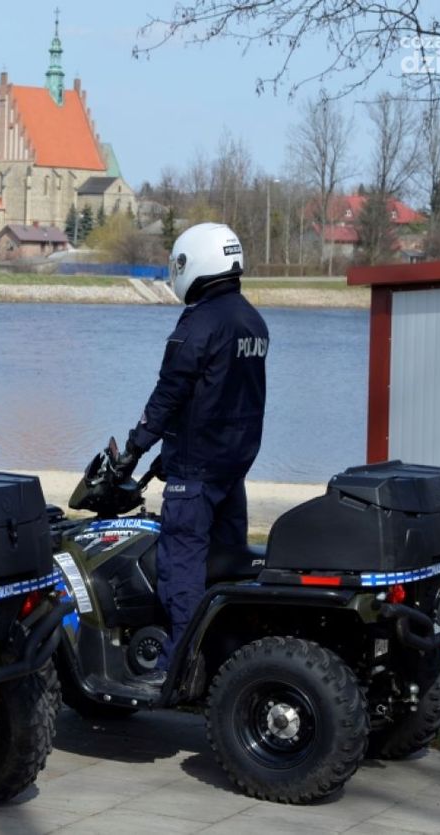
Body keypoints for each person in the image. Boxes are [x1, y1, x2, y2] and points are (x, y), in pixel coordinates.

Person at [114, 222, 268, 694]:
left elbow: (170, 393)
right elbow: (221, 398)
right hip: (232, 469)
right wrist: (167, 453)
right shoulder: (252, 321)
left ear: (196, 262)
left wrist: (136, 447)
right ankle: (225, 662)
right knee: (227, 568)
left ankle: (177, 669)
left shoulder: (199, 323)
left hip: (196, 475)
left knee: (181, 569)